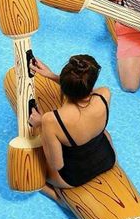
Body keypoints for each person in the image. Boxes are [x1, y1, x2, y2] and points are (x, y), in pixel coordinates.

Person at [29, 55, 116, 203]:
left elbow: (57, 165)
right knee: (104, 132)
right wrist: (52, 75)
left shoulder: (51, 119)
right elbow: (84, 91)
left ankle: (59, 199)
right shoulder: (104, 94)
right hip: (108, 159)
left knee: (33, 163)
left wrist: (41, 124)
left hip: (74, 178)